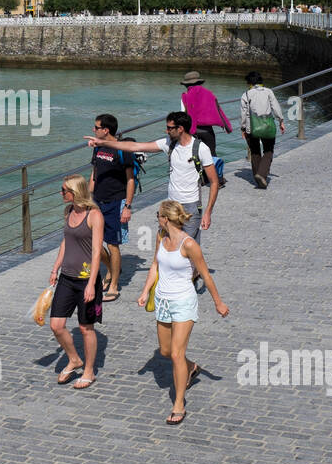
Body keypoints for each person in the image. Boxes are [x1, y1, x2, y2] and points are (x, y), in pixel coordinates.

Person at [136, 201, 229, 425]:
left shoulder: (189, 245)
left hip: (184, 302)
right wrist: (145, 291)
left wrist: (218, 303)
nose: (156, 218)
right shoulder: (161, 237)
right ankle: (191, 367)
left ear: (165, 218)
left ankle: (179, 404)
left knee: (177, 353)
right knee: (166, 351)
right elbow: (154, 267)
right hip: (162, 301)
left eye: (158, 215)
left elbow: (205, 275)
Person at [89, 112, 218, 244]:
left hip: (191, 205)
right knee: (167, 245)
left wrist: (208, 212)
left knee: (189, 246)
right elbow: (135, 146)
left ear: (180, 129)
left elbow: (214, 182)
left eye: (169, 128)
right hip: (170, 204)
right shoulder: (169, 143)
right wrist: (103, 143)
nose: (166, 130)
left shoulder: (201, 149)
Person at [47, 175, 105, 389]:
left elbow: (98, 252)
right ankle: (74, 359)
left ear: (75, 191)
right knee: (56, 325)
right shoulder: (69, 211)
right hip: (67, 278)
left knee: (85, 327)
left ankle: (89, 371)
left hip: (86, 280)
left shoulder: (94, 215)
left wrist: (91, 284)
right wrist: (55, 268)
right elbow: (66, 241)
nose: (61, 193)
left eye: (64, 190)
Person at [88, 114, 134, 303]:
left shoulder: (123, 150)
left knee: (112, 244)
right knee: (94, 243)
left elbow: (131, 179)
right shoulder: (98, 146)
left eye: (96, 127)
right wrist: (87, 199)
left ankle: (114, 284)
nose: (94, 130)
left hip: (116, 201)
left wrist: (128, 207)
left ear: (106, 130)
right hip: (97, 200)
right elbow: (94, 173)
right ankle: (110, 270)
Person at [240, 71, 286, 189]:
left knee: (255, 151)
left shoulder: (246, 94)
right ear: (261, 82)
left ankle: (258, 177)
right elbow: (276, 107)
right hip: (267, 126)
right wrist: (281, 120)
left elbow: (243, 114)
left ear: (249, 82)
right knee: (268, 150)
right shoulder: (268, 92)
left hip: (251, 128)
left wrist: (243, 128)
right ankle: (262, 174)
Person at [179, 71, 233, 165]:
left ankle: (200, 177)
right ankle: (217, 176)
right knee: (211, 154)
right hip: (208, 131)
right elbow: (218, 109)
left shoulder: (186, 96)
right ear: (199, 83)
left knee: (194, 156)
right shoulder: (209, 94)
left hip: (193, 131)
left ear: (186, 85)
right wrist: (226, 125)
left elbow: (184, 116)